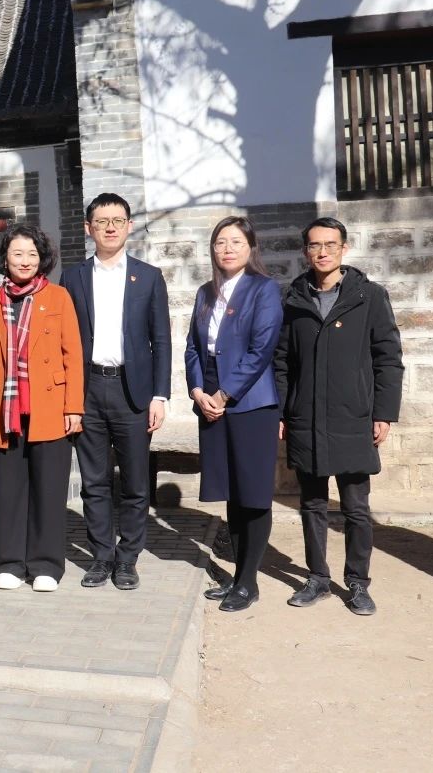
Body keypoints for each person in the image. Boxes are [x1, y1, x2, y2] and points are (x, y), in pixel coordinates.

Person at [274, 217, 403, 616]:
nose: (323, 252)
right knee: (312, 504)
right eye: (315, 245)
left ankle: (358, 582)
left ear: (344, 248)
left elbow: (388, 358)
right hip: (306, 417)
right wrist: (281, 411)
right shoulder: (294, 299)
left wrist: (384, 413)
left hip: (354, 417)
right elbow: (281, 361)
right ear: (305, 251)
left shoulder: (369, 296)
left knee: (356, 507)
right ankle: (317, 578)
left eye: (330, 244)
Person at [60, 193, 172, 591]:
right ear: (88, 228)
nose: (110, 227)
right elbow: (64, 340)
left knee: (136, 484)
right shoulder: (73, 278)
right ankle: (101, 556)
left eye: (118, 220)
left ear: (129, 226)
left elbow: (161, 340)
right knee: (94, 482)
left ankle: (127, 559)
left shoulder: (148, 276)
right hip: (88, 389)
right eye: (102, 221)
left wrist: (160, 395)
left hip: (133, 392)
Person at [0, 224, 84, 592]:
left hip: (50, 405)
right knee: (9, 490)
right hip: (4, 408)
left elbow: (73, 355)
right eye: (17, 253)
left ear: (43, 259)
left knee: (49, 490)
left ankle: (46, 565)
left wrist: (74, 407)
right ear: (4, 258)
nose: (24, 261)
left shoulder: (59, 298)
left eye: (32, 254)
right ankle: (9, 563)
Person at [185, 215, 283, 612]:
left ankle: (248, 582)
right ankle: (238, 577)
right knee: (231, 492)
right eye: (220, 242)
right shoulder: (205, 293)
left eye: (236, 242)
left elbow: (262, 350)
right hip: (210, 400)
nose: (227, 249)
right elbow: (193, 348)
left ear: (250, 248)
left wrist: (225, 394)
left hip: (249, 402)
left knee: (253, 494)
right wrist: (197, 391)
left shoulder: (264, 289)